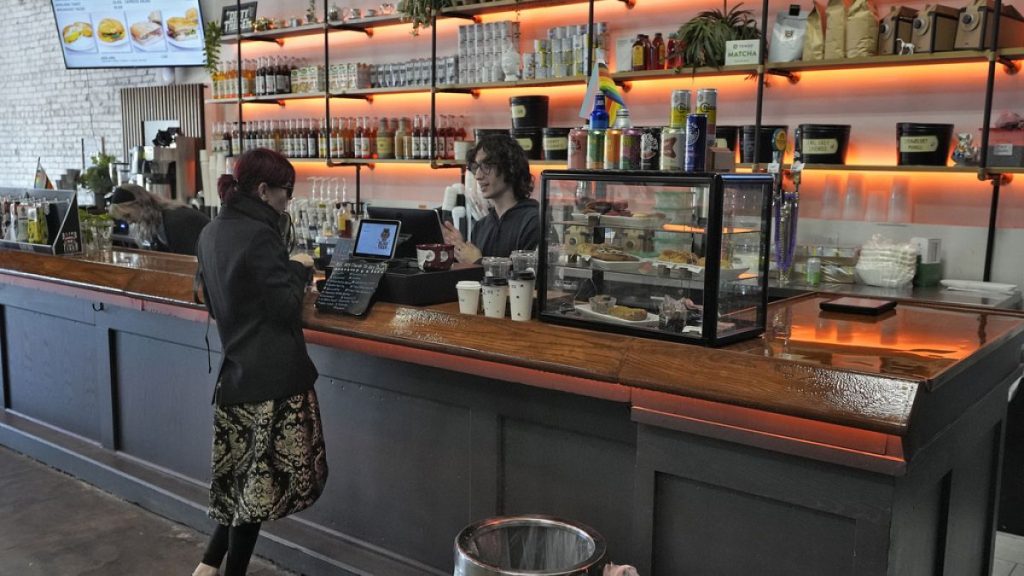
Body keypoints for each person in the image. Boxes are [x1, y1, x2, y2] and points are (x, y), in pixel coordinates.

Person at [193, 148, 328, 576]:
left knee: (240, 483)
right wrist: (300, 267)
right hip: (273, 381)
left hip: (235, 375)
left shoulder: (210, 231)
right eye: (287, 192)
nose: (289, 201)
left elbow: (210, 297)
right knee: (256, 493)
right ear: (264, 190)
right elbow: (287, 306)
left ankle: (207, 566)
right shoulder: (259, 235)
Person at [442, 134, 540, 263]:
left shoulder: (534, 222)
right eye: (476, 168)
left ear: (509, 168)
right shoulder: (482, 226)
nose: (478, 176)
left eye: (486, 167)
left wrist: (477, 262)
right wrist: (461, 249)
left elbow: (527, 279)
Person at [106, 183, 210, 255]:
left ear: (140, 204)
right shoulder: (161, 219)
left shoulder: (174, 221)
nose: (129, 221)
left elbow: (187, 262)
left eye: (128, 216)